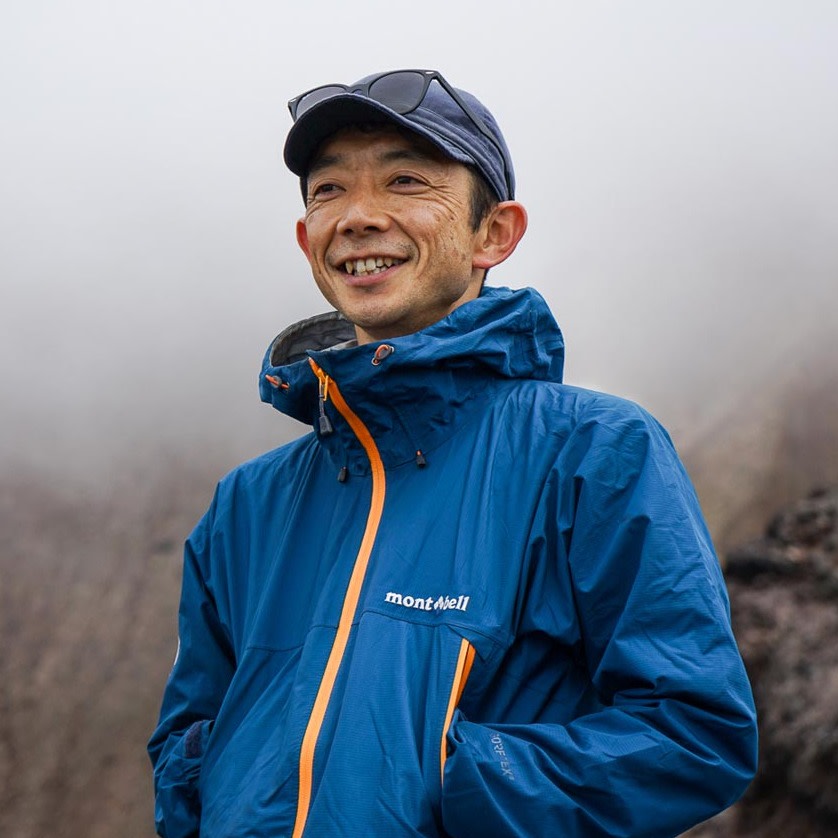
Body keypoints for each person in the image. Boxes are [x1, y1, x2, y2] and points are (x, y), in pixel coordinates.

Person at [148, 68, 757, 837]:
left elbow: (694, 735)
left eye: (405, 181)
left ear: (492, 234)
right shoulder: (246, 505)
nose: (359, 217)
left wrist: (441, 781)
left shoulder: (594, 452)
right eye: (328, 191)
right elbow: (187, 747)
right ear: (307, 239)